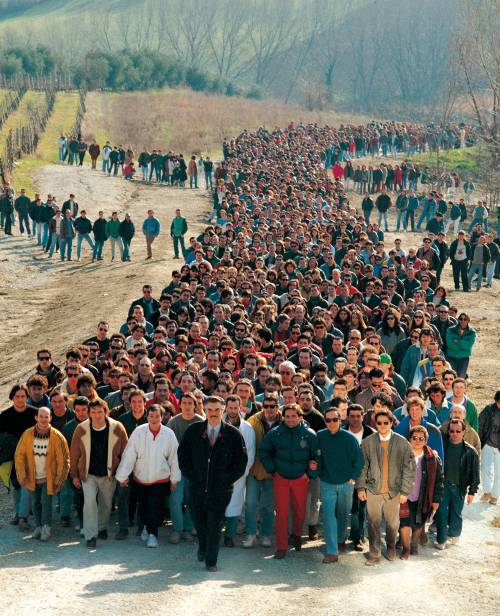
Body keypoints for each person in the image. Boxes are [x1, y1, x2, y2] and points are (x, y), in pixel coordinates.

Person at [178, 396, 247, 572]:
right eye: (209, 410)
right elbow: (183, 456)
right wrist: (192, 476)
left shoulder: (233, 434)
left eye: (217, 410)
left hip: (221, 490)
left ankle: (211, 560)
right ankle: (203, 545)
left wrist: (226, 480)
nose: (213, 413)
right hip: (197, 487)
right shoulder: (194, 431)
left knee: (214, 524)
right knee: (199, 522)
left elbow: (240, 462)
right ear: (204, 411)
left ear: (223, 410)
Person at [356, 408, 416, 566]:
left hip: (394, 490)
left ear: (391, 423)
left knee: (392, 523)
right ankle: (374, 554)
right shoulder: (367, 442)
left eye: (386, 422)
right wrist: (361, 488)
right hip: (373, 489)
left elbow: (409, 469)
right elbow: (362, 467)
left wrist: (405, 491)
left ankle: (390, 547)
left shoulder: (402, 443)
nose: (382, 425)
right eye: (379, 423)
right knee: (373, 522)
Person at [115, 404, 181, 548]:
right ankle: (145, 526)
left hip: (161, 478)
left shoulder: (169, 434)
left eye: (157, 416)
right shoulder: (139, 432)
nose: (154, 419)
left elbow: (174, 458)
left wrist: (174, 478)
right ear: (147, 416)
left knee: (155, 506)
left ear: (162, 417)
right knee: (143, 506)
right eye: (151, 416)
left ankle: (153, 534)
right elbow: (129, 455)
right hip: (141, 478)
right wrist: (122, 476)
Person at [260, 403, 319, 559]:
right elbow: (264, 452)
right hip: (281, 478)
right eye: (287, 416)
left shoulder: (309, 434)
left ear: (300, 417)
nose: (291, 419)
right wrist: (273, 470)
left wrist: (309, 473)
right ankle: (281, 546)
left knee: (300, 511)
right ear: (283, 417)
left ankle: (297, 535)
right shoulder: (275, 433)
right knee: (281, 513)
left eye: (294, 416)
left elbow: (316, 457)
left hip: (301, 478)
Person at [70, 400, 128, 549]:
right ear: (89, 413)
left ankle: (102, 527)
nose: (97, 415)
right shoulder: (81, 429)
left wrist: (124, 475)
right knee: (89, 503)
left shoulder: (117, 428)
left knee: (106, 504)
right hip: (88, 474)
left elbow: (125, 454)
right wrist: (74, 475)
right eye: (93, 412)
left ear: (105, 412)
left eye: (100, 412)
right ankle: (91, 535)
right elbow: (74, 454)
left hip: (109, 474)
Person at [14, 407, 70, 541]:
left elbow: (64, 459)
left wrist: (60, 479)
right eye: (41, 416)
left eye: (46, 417)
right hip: (32, 477)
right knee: (35, 503)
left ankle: (46, 527)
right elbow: (19, 455)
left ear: (50, 418)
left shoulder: (57, 437)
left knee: (46, 502)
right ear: (36, 418)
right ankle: (38, 526)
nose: (44, 419)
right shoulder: (27, 435)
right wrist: (21, 475)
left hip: (48, 478)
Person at [317, 407, 363, 563]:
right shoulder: (320, 436)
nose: (331, 423)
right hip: (327, 482)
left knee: (343, 514)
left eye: (334, 419)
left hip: (346, 484)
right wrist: (318, 472)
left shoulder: (349, 438)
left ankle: (340, 540)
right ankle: (332, 551)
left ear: (340, 420)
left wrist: (353, 477)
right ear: (325, 421)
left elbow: (358, 460)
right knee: (329, 516)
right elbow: (316, 457)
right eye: (328, 420)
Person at [399, 425, 443, 559]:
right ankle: (406, 549)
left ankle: (414, 546)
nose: (417, 441)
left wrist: (436, 500)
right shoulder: (402, 455)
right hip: (404, 496)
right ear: (410, 439)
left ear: (426, 441)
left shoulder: (432, 458)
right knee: (404, 522)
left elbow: (439, 481)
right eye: (414, 438)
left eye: (421, 438)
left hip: (423, 496)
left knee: (419, 522)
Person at [243, 394, 282, 548]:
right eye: (266, 406)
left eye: (272, 406)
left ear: (278, 406)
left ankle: (265, 534)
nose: (269, 409)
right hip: (254, 469)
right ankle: (251, 533)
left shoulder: (284, 421)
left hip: (273, 472)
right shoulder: (253, 420)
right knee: (250, 504)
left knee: (268, 506)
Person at [435, 418, 479, 549]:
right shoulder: (443, 447)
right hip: (444, 486)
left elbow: (475, 473)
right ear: (448, 431)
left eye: (458, 431)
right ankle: (441, 539)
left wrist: (472, 491)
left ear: (464, 432)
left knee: (456, 512)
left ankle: (454, 534)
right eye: (452, 431)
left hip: (460, 486)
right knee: (441, 512)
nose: (455, 433)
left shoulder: (470, 452)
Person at [167, 392, 204, 543]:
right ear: (179, 404)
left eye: (190, 403)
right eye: (184, 403)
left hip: (195, 469)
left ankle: (188, 529)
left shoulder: (201, 422)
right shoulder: (173, 422)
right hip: (177, 467)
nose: (187, 406)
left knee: (192, 499)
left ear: (195, 405)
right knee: (175, 499)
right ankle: (177, 529)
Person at [0, 384, 37, 529]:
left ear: (27, 397)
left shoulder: (35, 413)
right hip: (11, 456)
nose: (20, 399)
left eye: (23, 396)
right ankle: (17, 513)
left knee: (26, 484)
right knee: (15, 485)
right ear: (12, 398)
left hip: (31, 455)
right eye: (17, 397)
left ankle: (23, 516)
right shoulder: (4, 416)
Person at [222, 395, 256, 547]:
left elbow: (250, 452)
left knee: (234, 505)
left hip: (238, 473)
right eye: (230, 408)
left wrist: (242, 472)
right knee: (218, 504)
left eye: (236, 408)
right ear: (226, 407)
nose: (233, 411)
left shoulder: (247, 428)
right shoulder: (217, 424)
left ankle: (229, 535)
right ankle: (216, 534)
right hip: (219, 473)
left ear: (240, 407)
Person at [478, 391, 500, 506]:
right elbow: (480, 425)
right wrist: (479, 442)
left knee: (499, 473)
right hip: (488, 443)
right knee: (485, 468)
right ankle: (487, 491)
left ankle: (495, 496)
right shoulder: (488, 409)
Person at [445, 312, 476, 378]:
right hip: (452, 357)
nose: (463, 321)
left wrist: (458, 341)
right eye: (461, 319)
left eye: (465, 319)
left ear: (468, 320)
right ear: (458, 320)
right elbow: (450, 344)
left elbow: (468, 346)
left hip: (464, 358)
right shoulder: (450, 330)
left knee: (461, 378)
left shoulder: (472, 332)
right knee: (452, 377)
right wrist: (463, 344)